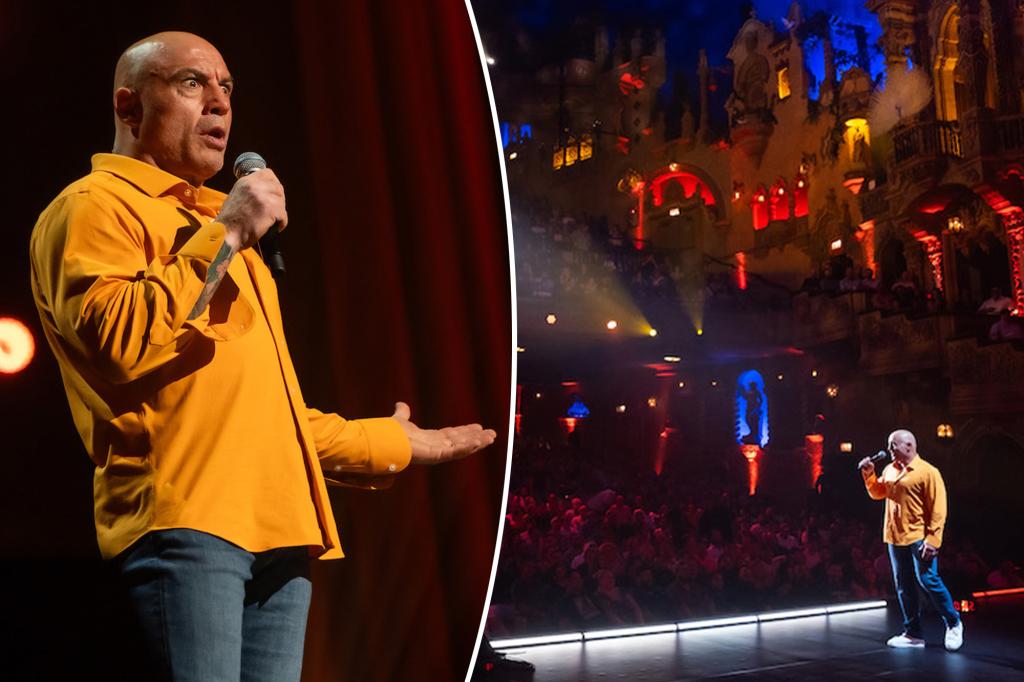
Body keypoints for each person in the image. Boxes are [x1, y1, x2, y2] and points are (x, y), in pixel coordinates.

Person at [28, 32, 496, 681]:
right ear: (129, 106)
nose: (219, 102)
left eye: (226, 88)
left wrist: (387, 442)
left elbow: (266, 417)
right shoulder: (92, 207)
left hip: (279, 531)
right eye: (192, 83)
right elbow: (118, 340)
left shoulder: (220, 229)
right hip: (189, 526)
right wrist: (228, 233)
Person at [858, 430, 963, 651]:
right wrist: (869, 475)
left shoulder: (928, 472)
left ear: (908, 446)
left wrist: (933, 539)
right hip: (895, 536)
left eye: (893, 445)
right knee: (903, 585)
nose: (889, 449)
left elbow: (938, 509)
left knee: (928, 580)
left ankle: (953, 622)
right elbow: (879, 493)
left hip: (919, 537)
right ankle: (913, 633)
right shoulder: (890, 469)